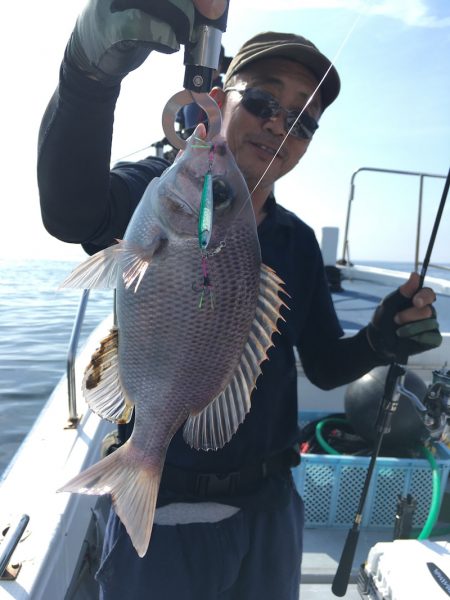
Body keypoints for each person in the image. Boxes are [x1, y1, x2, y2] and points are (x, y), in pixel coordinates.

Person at [37, 2, 442, 598]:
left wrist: (380, 338)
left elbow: (327, 366)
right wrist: (86, 77)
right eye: (262, 101)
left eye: (302, 122)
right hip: (168, 504)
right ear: (221, 97)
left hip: (271, 510)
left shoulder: (297, 243)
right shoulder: (163, 189)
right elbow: (70, 209)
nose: (280, 125)